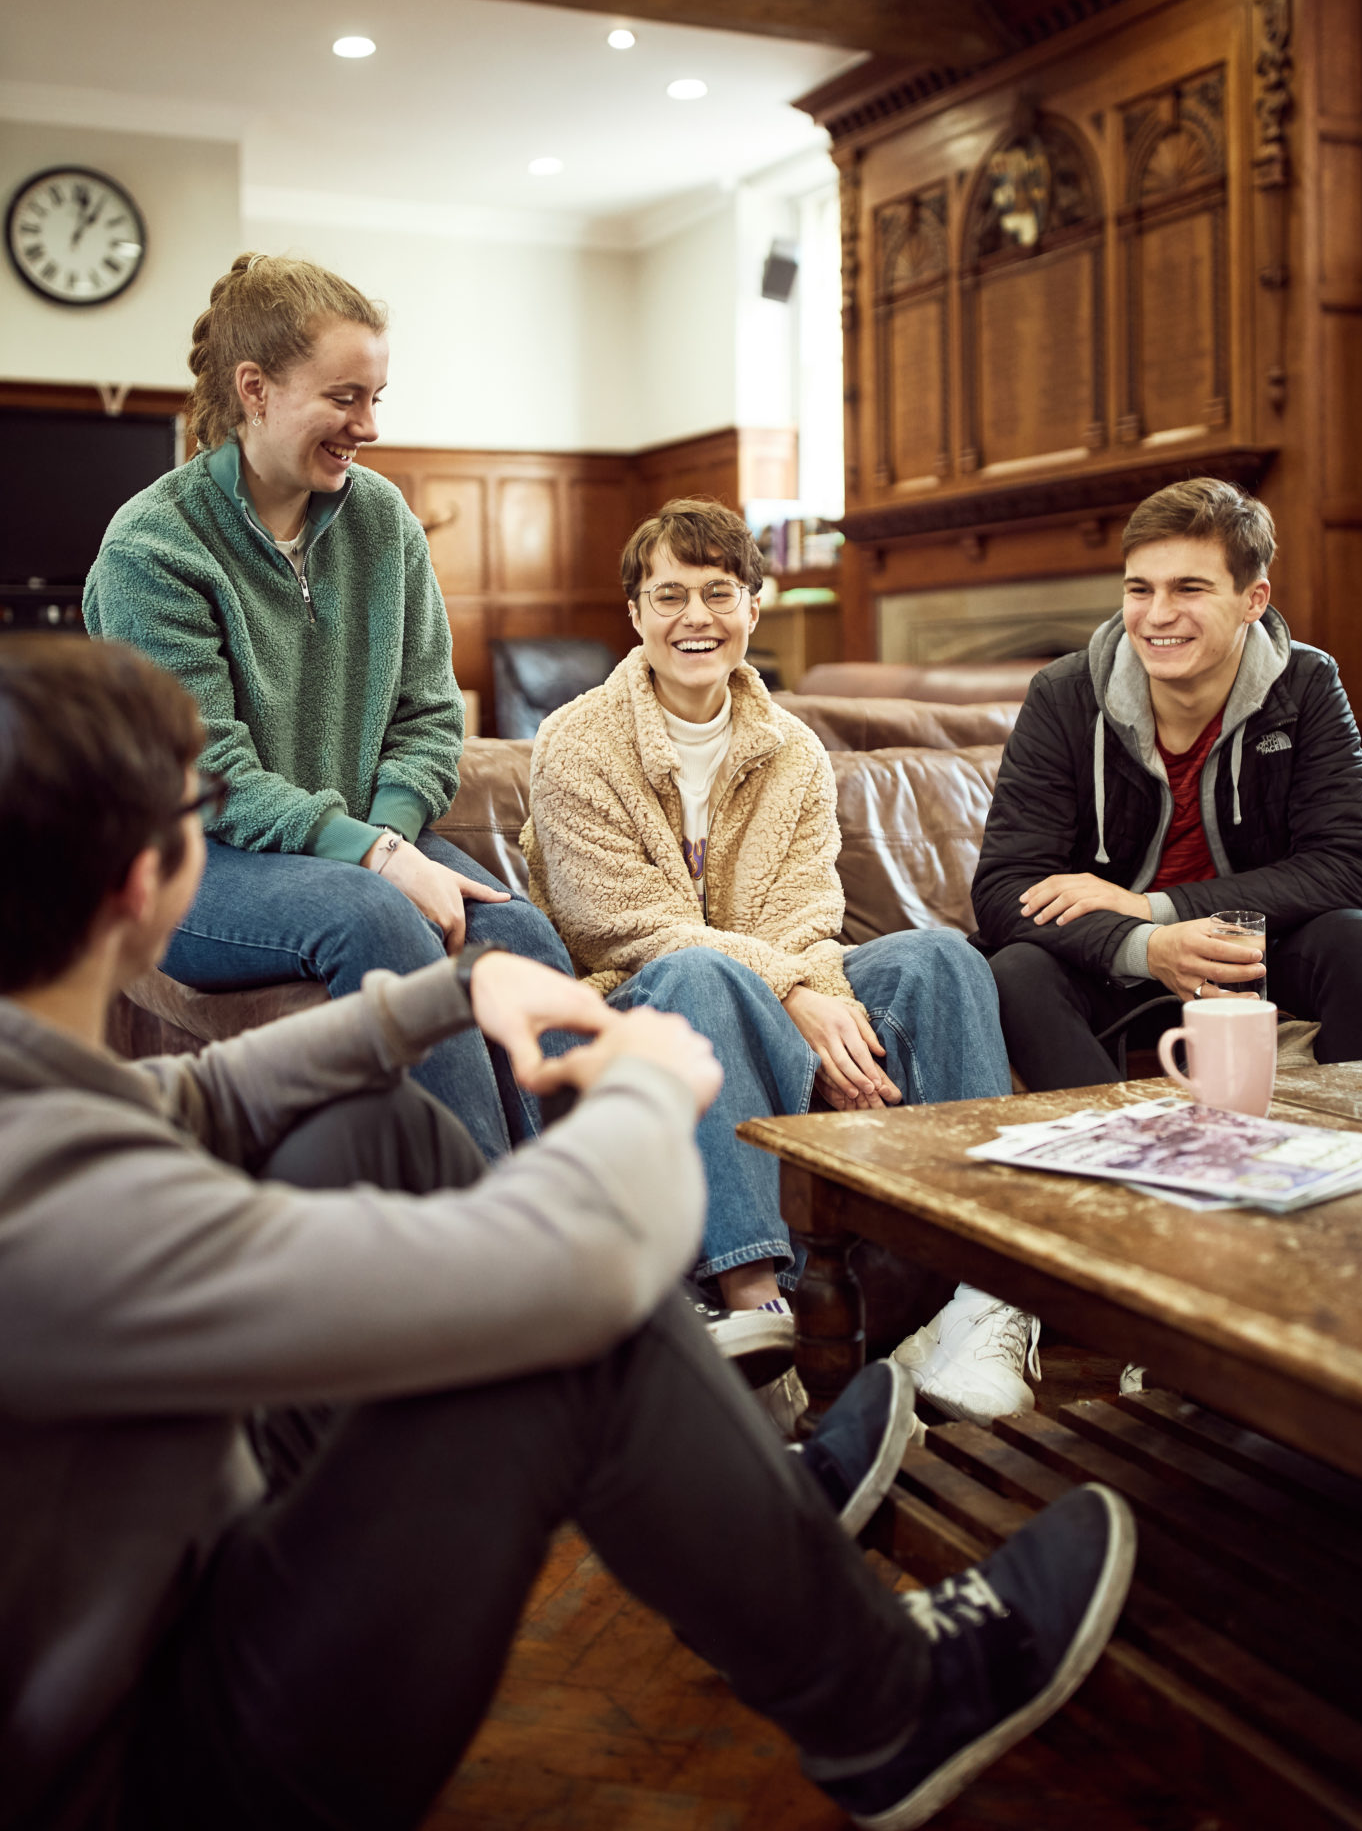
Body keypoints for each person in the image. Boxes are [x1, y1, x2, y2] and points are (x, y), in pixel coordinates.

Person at [0, 634, 1137, 1831]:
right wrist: (648, 1084)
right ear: (144, 881)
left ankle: (751, 1510)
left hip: (164, 1597)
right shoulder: (56, 1202)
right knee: (558, 1340)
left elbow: (203, 1101)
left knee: (369, 1134)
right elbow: (575, 1265)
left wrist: (444, 995)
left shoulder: (36, 1093)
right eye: (204, 806)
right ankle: (889, 1703)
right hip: (168, 1767)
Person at [522, 498, 1042, 1428]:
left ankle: (984, 1295)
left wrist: (813, 984)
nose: (695, 618)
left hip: (783, 980)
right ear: (636, 614)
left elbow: (807, 910)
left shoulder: (794, 749)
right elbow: (623, 926)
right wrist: (798, 989)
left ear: (753, 607)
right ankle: (762, 1308)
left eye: (718, 592)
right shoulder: (574, 741)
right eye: (669, 595)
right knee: (700, 973)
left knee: (944, 956)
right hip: (637, 997)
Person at [83, 252, 573, 1160]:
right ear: (255, 389)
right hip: (201, 865)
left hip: (351, 842)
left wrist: (384, 834)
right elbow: (209, 774)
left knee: (521, 933)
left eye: (378, 396)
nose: (371, 425)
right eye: (346, 397)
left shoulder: (381, 520)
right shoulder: (151, 548)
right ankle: (486, 1258)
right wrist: (381, 860)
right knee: (375, 917)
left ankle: (594, 1226)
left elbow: (429, 716)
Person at [973, 477, 1362, 1088]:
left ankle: (1360, 1151)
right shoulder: (1065, 695)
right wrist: (1147, 943)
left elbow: (1352, 865)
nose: (1157, 616)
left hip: (1251, 959)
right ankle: (1111, 1158)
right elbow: (1004, 887)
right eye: (1140, 589)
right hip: (1111, 969)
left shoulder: (1305, 684)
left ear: (1253, 599)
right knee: (1014, 969)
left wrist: (1155, 906)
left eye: (1189, 589)